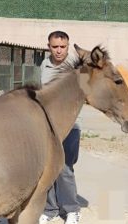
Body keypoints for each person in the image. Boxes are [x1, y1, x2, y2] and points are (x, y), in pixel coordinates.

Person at [39, 31, 82, 224]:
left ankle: (72, 209)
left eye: (62, 47)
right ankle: (50, 209)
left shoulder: (76, 68)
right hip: (48, 128)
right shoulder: (44, 65)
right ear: (48, 46)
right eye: (54, 46)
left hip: (69, 128)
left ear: (67, 46)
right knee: (48, 168)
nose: (58, 51)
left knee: (64, 169)